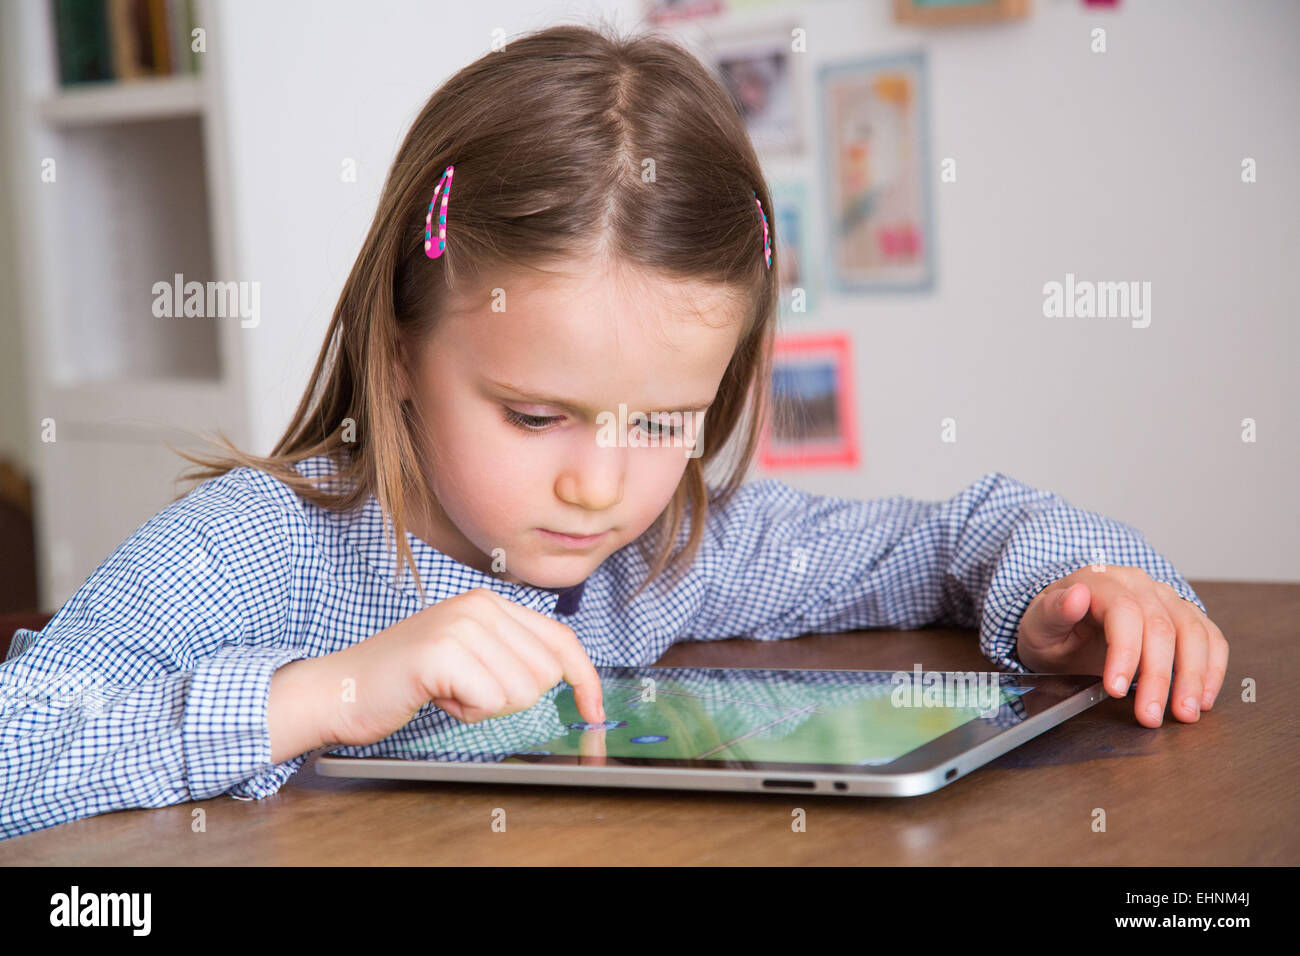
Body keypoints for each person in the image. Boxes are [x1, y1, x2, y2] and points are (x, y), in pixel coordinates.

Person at [0, 24, 1226, 841]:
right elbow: (18, 747)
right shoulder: (257, 547)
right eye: (534, 414)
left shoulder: (668, 547)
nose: (598, 482)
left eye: (664, 420)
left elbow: (960, 531)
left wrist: (1078, 580)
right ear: (403, 348)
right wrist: (322, 695)